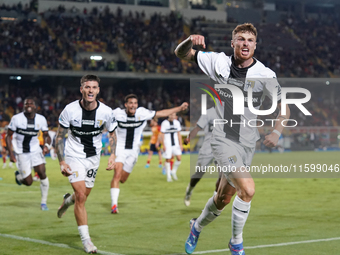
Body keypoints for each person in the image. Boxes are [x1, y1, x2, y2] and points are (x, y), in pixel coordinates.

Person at [175, 23, 290, 255]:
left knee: (222, 198)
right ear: (233, 43)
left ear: (255, 45)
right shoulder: (217, 61)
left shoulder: (266, 75)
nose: (245, 43)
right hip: (222, 140)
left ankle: (195, 227)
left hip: (248, 144)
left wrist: (277, 131)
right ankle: (236, 243)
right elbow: (182, 53)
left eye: (249, 40)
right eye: (240, 39)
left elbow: (284, 107)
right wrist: (190, 41)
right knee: (247, 189)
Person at [55, 74, 117, 254]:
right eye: (87, 87)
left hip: (93, 158)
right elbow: (59, 136)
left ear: (98, 90)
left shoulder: (106, 111)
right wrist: (61, 161)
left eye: (94, 87)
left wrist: (112, 155)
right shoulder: (70, 110)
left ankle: (67, 201)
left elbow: (112, 134)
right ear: (81, 89)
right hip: (74, 155)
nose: (90, 90)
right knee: (81, 196)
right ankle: (87, 241)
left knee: (82, 195)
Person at [109, 94, 188, 214]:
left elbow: (162, 113)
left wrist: (179, 108)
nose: (133, 105)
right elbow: (102, 114)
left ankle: (116, 188)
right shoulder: (117, 113)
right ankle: (114, 205)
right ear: (126, 105)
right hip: (119, 149)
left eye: (135, 103)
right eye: (130, 103)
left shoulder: (142, 113)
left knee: (123, 179)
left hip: (134, 151)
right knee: (117, 174)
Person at [5, 97, 51, 211]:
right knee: (29, 182)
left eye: (31, 103)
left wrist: (47, 146)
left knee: (42, 173)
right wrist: (11, 154)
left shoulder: (41, 119)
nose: (28, 105)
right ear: (23, 106)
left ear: (35, 106)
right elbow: (8, 136)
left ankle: (43, 203)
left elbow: (46, 135)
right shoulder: (16, 119)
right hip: (21, 153)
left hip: (35, 150)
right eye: (26, 104)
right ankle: (19, 177)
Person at [159, 113, 183, 182]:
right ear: (168, 115)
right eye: (171, 115)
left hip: (175, 144)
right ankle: (168, 176)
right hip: (167, 144)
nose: (172, 116)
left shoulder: (177, 123)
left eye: (174, 115)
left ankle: (173, 171)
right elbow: (162, 135)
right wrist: (163, 144)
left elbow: (179, 134)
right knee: (168, 160)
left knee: (179, 158)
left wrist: (180, 144)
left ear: (175, 116)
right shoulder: (164, 123)